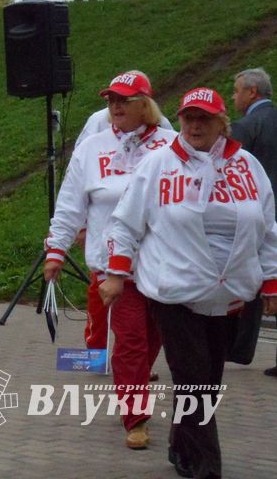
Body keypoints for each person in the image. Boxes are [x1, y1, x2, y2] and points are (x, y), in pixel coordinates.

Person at [103, 87, 277, 478]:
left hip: (228, 296)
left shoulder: (247, 165)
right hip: (174, 292)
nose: (195, 125)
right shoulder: (157, 166)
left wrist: (271, 282)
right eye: (188, 118)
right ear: (179, 119)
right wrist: (116, 274)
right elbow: (125, 223)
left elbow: (267, 229)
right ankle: (207, 468)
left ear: (221, 122)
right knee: (194, 382)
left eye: (204, 118)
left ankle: (181, 450)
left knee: (206, 385)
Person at [44, 71, 177, 449]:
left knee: (156, 337)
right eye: (111, 100)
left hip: (166, 264)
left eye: (125, 100)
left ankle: (134, 385)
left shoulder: (171, 145)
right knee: (131, 339)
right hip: (114, 268)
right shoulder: (92, 148)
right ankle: (135, 418)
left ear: (145, 105)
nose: (115, 107)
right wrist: (56, 249)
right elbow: (70, 203)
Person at [230, 68, 277, 377]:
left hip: (259, 214)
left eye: (235, 91)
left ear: (252, 93)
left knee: (248, 279)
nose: (233, 97)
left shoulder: (246, 127)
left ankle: (238, 348)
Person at [75, 102, 174, 148]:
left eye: (124, 99)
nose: (117, 105)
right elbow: (79, 155)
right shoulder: (98, 119)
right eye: (112, 99)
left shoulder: (161, 122)